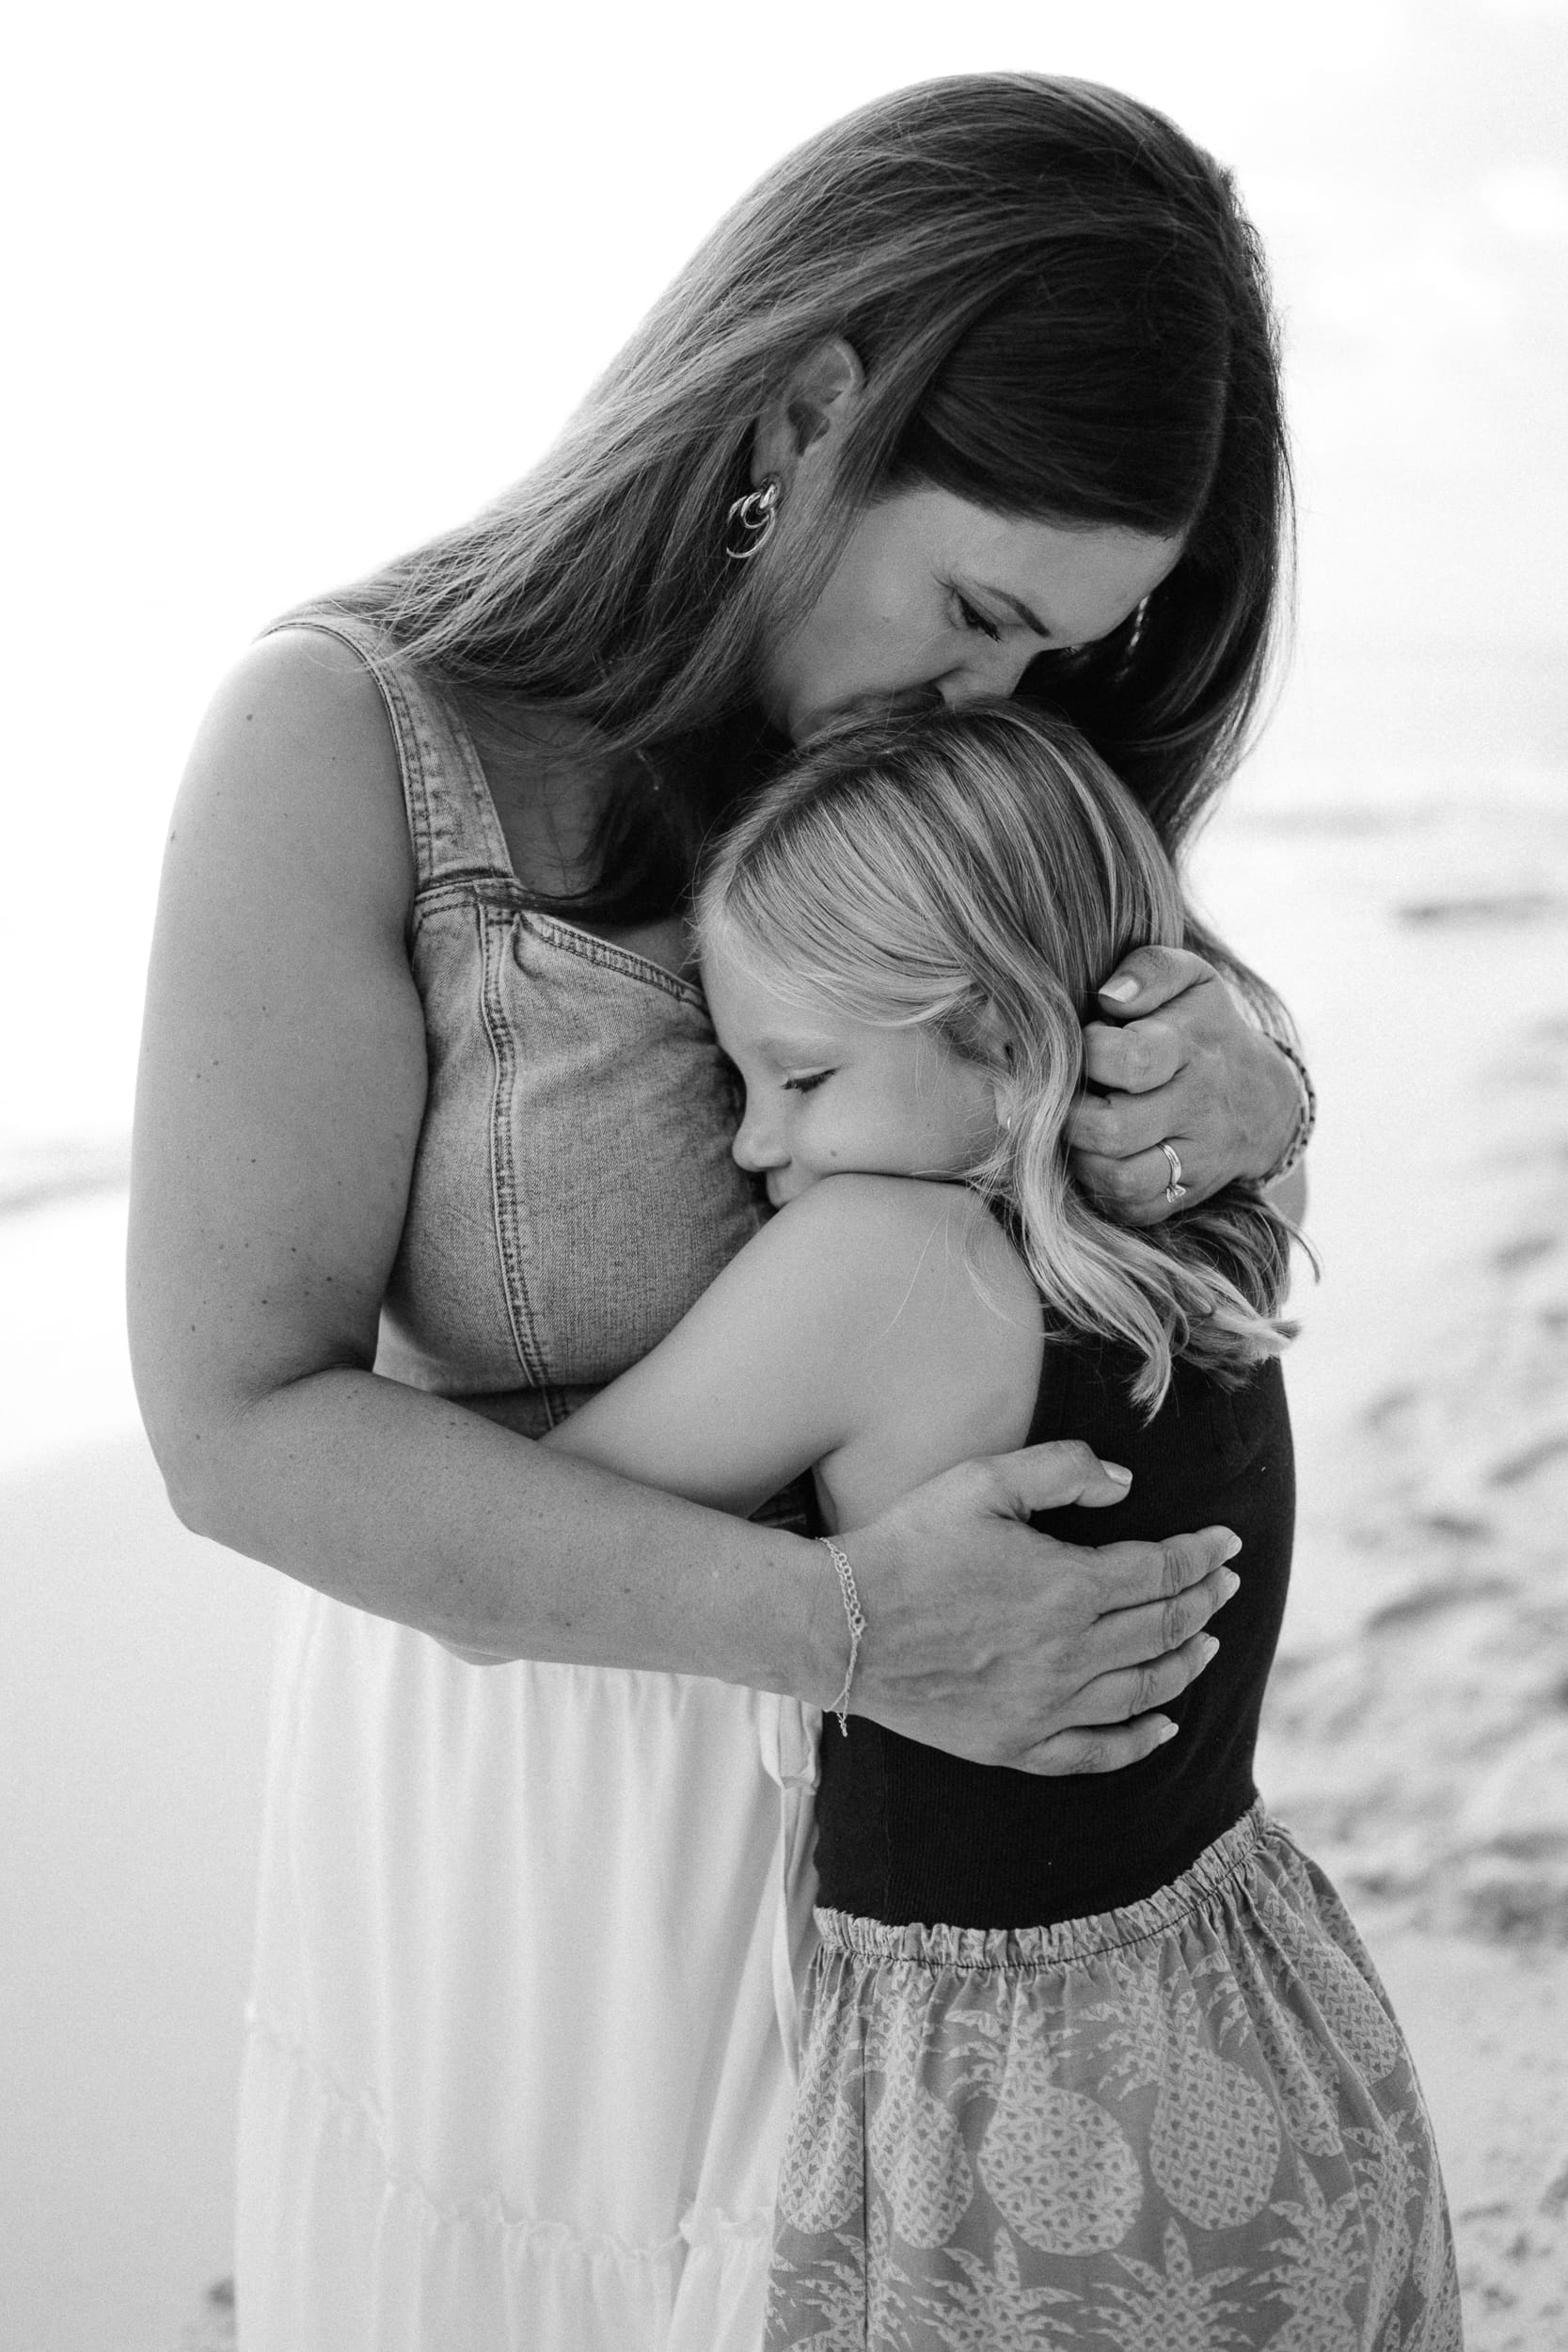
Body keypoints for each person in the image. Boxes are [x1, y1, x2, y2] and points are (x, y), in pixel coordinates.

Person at [128, 73, 1316, 2352]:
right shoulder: (344, 739)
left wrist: (1249, 1088)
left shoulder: (950, 784)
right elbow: (235, 1422)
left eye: (1063, 652)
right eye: (979, 605)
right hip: (532, 1827)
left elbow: (1107, 1226)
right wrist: (846, 1632)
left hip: (938, 1895)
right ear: (803, 410)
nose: (1007, 698)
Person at [542, 700, 1460, 2349]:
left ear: (1001, 1039)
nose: (759, 1145)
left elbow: (531, 1538)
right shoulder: (1230, 1215)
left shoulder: (877, 1269)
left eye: (802, 1078)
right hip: (1281, 2018)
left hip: (1024, 2102)